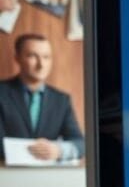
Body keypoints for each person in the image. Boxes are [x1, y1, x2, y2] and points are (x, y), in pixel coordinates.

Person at [0, 33, 84, 163]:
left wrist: (59, 150)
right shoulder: (2, 93)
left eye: (46, 57)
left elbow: (80, 143)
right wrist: (32, 151)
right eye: (32, 56)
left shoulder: (61, 100)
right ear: (17, 58)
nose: (41, 64)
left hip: (47, 173)